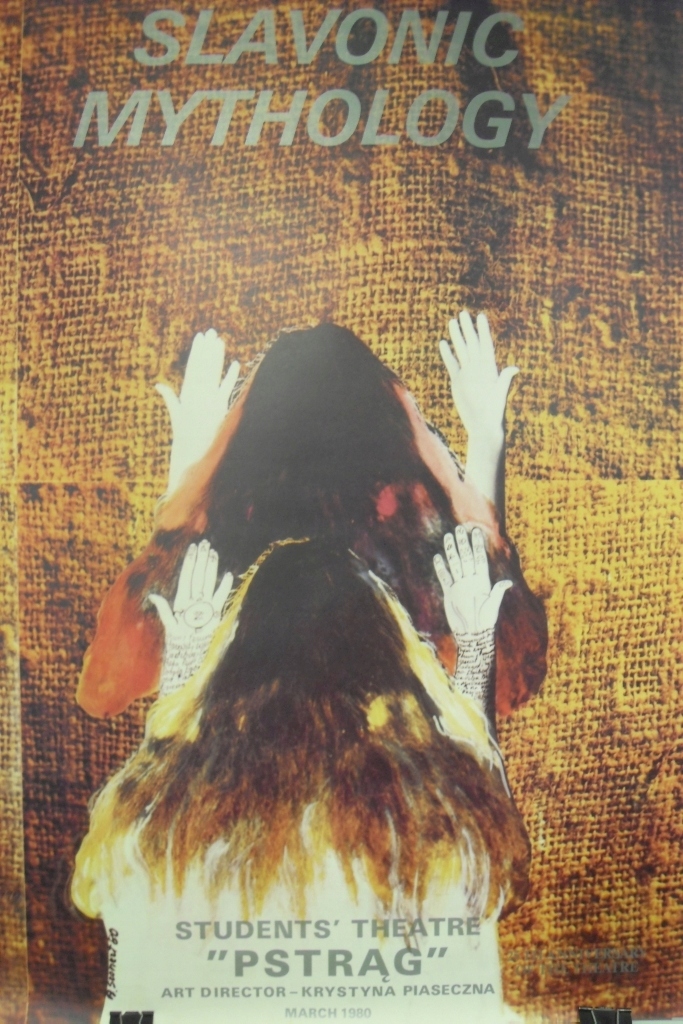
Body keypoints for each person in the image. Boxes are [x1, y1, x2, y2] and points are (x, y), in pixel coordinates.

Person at [72, 533, 528, 1024]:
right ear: (391, 661)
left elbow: (140, 961)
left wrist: (184, 666)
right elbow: (474, 788)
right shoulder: (450, 822)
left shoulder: (158, 822)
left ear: (234, 671)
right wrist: (476, 645)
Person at [77, 314, 547, 724]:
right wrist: (486, 435)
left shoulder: (218, 575)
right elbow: (505, 681)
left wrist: (190, 478)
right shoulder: (419, 576)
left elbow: (112, 684)